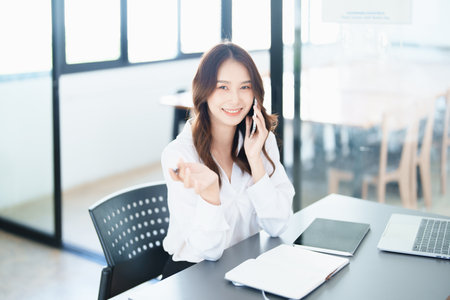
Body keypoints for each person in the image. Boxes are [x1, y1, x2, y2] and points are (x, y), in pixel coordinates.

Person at [160, 42, 295, 278]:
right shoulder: (180, 154)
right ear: (204, 90)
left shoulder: (262, 141)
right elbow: (207, 251)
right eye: (223, 87)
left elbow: (278, 226)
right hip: (194, 275)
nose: (235, 99)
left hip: (244, 268)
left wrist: (255, 161)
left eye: (245, 87)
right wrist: (211, 195)